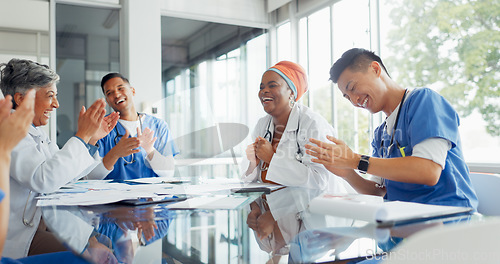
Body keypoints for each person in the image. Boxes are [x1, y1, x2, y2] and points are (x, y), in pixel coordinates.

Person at [305, 48, 478, 210]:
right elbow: (379, 192)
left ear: (375, 69)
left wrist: (356, 160)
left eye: (353, 88)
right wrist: (348, 173)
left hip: (447, 220)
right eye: (347, 97)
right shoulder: (381, 134)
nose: (355, 100)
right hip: (404, 220)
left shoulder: (424, 101)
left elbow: (428, 171)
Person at [0, 58, 117, 259]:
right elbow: (43, 179)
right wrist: (81, 137)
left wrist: (90, 140)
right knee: (92, 255)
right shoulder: (9, 131)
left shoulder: (37, 134)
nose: (56, 104)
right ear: (20, 99)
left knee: (104, 241)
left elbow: (67, 176)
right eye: (50, 96)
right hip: (19, 233)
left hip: (42, 221)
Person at [241, 61, 351, 193]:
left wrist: (271, 158)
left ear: (291, 93)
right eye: (261, 87)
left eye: (272, 85)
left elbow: (319, 180)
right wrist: (253, 163)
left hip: (316, 208)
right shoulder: (262, 125)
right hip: (274, 206)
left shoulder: (313, 124)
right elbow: (249, 179)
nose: (264, 91)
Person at [87, 73, 179, 181]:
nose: (116, 94)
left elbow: (169, 173)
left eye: (120, 88)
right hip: (115, 197)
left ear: (132, 91)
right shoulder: (100, 128)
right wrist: (115, 153)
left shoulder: (159, 126)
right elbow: (90, 177)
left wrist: (150, 150)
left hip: (150, 196)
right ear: (107, 101)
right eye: (110, 93)